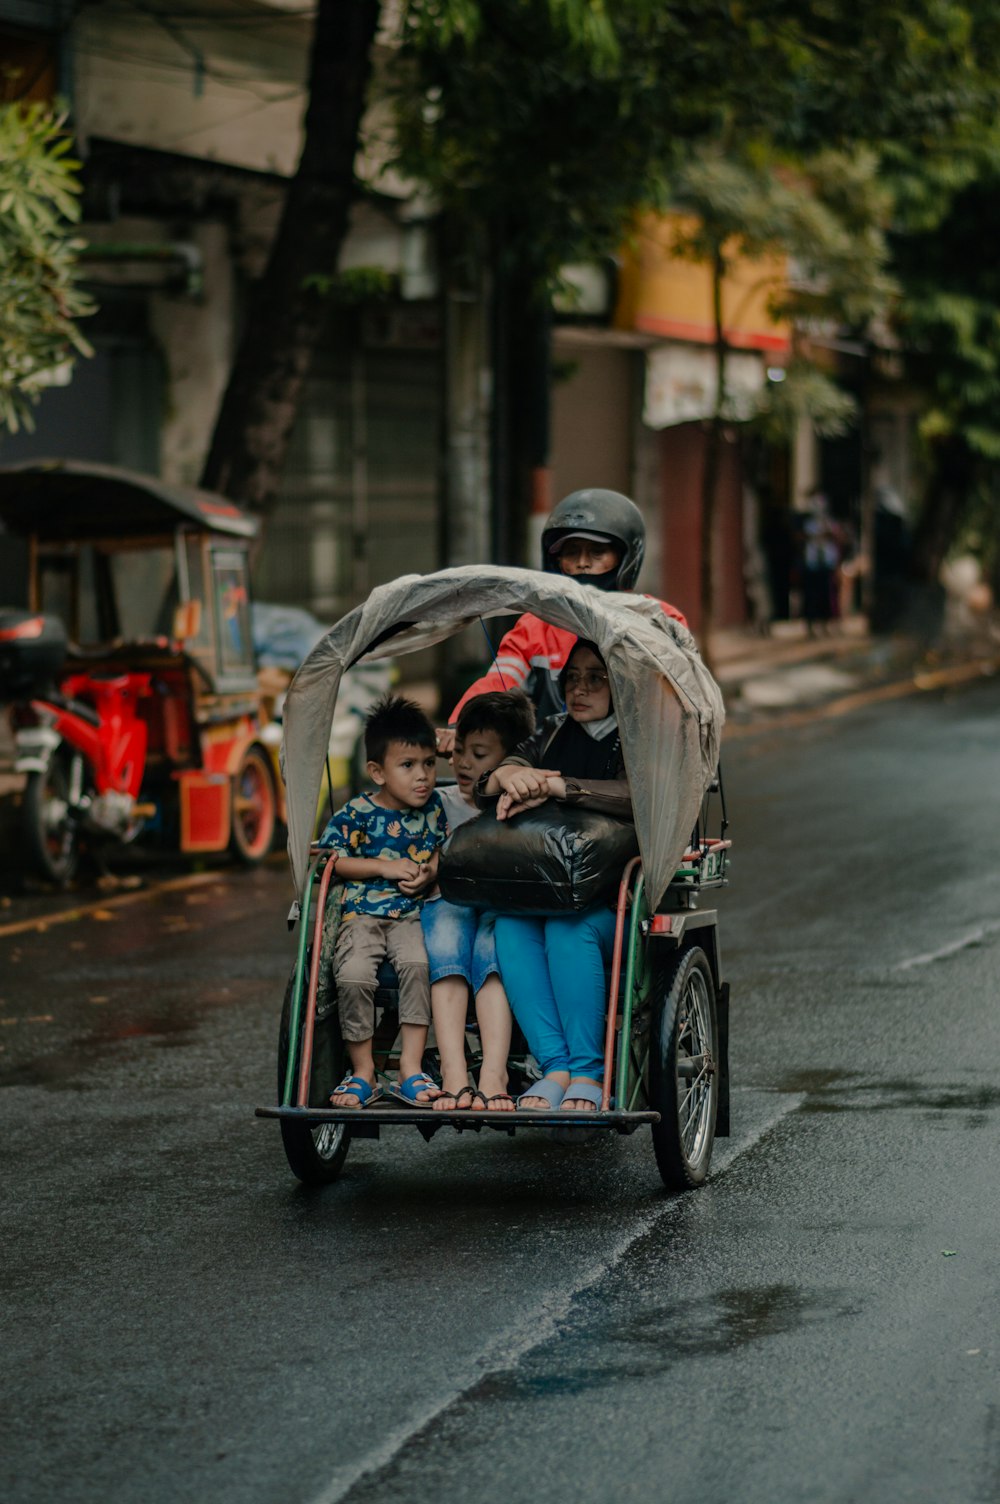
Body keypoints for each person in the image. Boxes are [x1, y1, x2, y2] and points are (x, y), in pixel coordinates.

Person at [478, 639, 633, 1114]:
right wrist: (508, 777)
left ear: (620, 686)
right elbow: (497, 776)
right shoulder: (550, 731)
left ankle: (588, 1071)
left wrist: (560, 786)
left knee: (570, 929)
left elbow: (635, 795)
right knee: (511, 924)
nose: (579, 688)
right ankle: (556, 1067)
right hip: (546, 887)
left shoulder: (638, 738)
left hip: (612, 902)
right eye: (571, 677)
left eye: (595, 677)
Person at [438, 488, 687, 751]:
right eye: (571, 553)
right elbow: (498, 684)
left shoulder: (659, 619)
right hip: (549, 765)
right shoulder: (536, 624)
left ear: (626, 557)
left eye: (596, 552)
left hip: (632, 768)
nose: (582, 563)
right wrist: (460, 727)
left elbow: (678, 707)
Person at [318, 694, 448, 1108]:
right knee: (354, 975)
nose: (423, 776)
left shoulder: (434, 808)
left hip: (411, 916)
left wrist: (430, 869)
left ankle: (410, 1067)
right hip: (361, 916)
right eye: (408, 766)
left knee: (418, 967)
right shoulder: (357, 813)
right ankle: (363, 1071)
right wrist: (383, 866)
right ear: (377, 772)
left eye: (429, 763)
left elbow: (439, 848)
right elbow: (334, 861)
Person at [421, 688, 536, 1112]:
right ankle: (454, 1072)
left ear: (510, 762)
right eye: (460, 752)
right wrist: (427, 741)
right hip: (448, 906)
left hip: (498, 907)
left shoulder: (520, 806)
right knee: (448, 937)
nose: (465, 764)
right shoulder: (436, 802)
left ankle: (493, 1072)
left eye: (481, 754)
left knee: (492, 948)